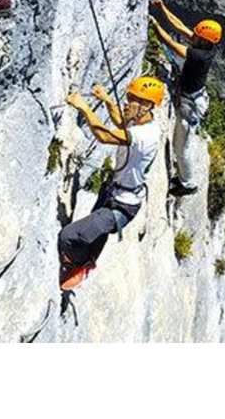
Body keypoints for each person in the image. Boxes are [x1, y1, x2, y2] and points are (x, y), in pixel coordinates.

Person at [57, 75, 167, 291]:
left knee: (68, 237)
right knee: (94, 235)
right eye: (128, 97)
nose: (126, 102)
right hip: (112, 193)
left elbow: (104, 136)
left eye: (132, 99)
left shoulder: (146, 135)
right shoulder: (141, 121)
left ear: (147, 106)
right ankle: (87, 260)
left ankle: (81, 265)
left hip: (123, 205)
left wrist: (83, 107)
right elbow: (120, 122)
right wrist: (107, 100)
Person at [149, 0, 222, 196]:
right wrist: (162, 7)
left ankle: (189, 184)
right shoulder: (206, 45)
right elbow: (179, 26)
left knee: (182, 148)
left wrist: (154, 26)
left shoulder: (200, 55)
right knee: (181, 145)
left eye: (197, 35)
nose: (193, 35)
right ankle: (184, 177)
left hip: (191, 107)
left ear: (204, 40)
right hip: (193, 97)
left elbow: (171, 44)